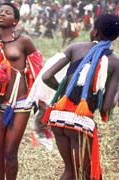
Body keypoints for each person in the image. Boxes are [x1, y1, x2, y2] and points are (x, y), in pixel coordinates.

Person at [42, 14, 119, 180]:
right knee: (82, 174)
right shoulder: (115, 62)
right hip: (80, 123)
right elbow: (106, 107)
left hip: (57, 118)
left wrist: (65, 93)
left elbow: (46, 76)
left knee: (69, 172)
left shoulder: (74, 48)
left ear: (95, 31)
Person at [0, 2, 43, 180]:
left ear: (15, 20)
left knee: (10, 153)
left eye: (7, 12)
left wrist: (40, 99)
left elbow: (38, 68)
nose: (2, 14)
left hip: (20, 103)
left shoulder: (24, 41)